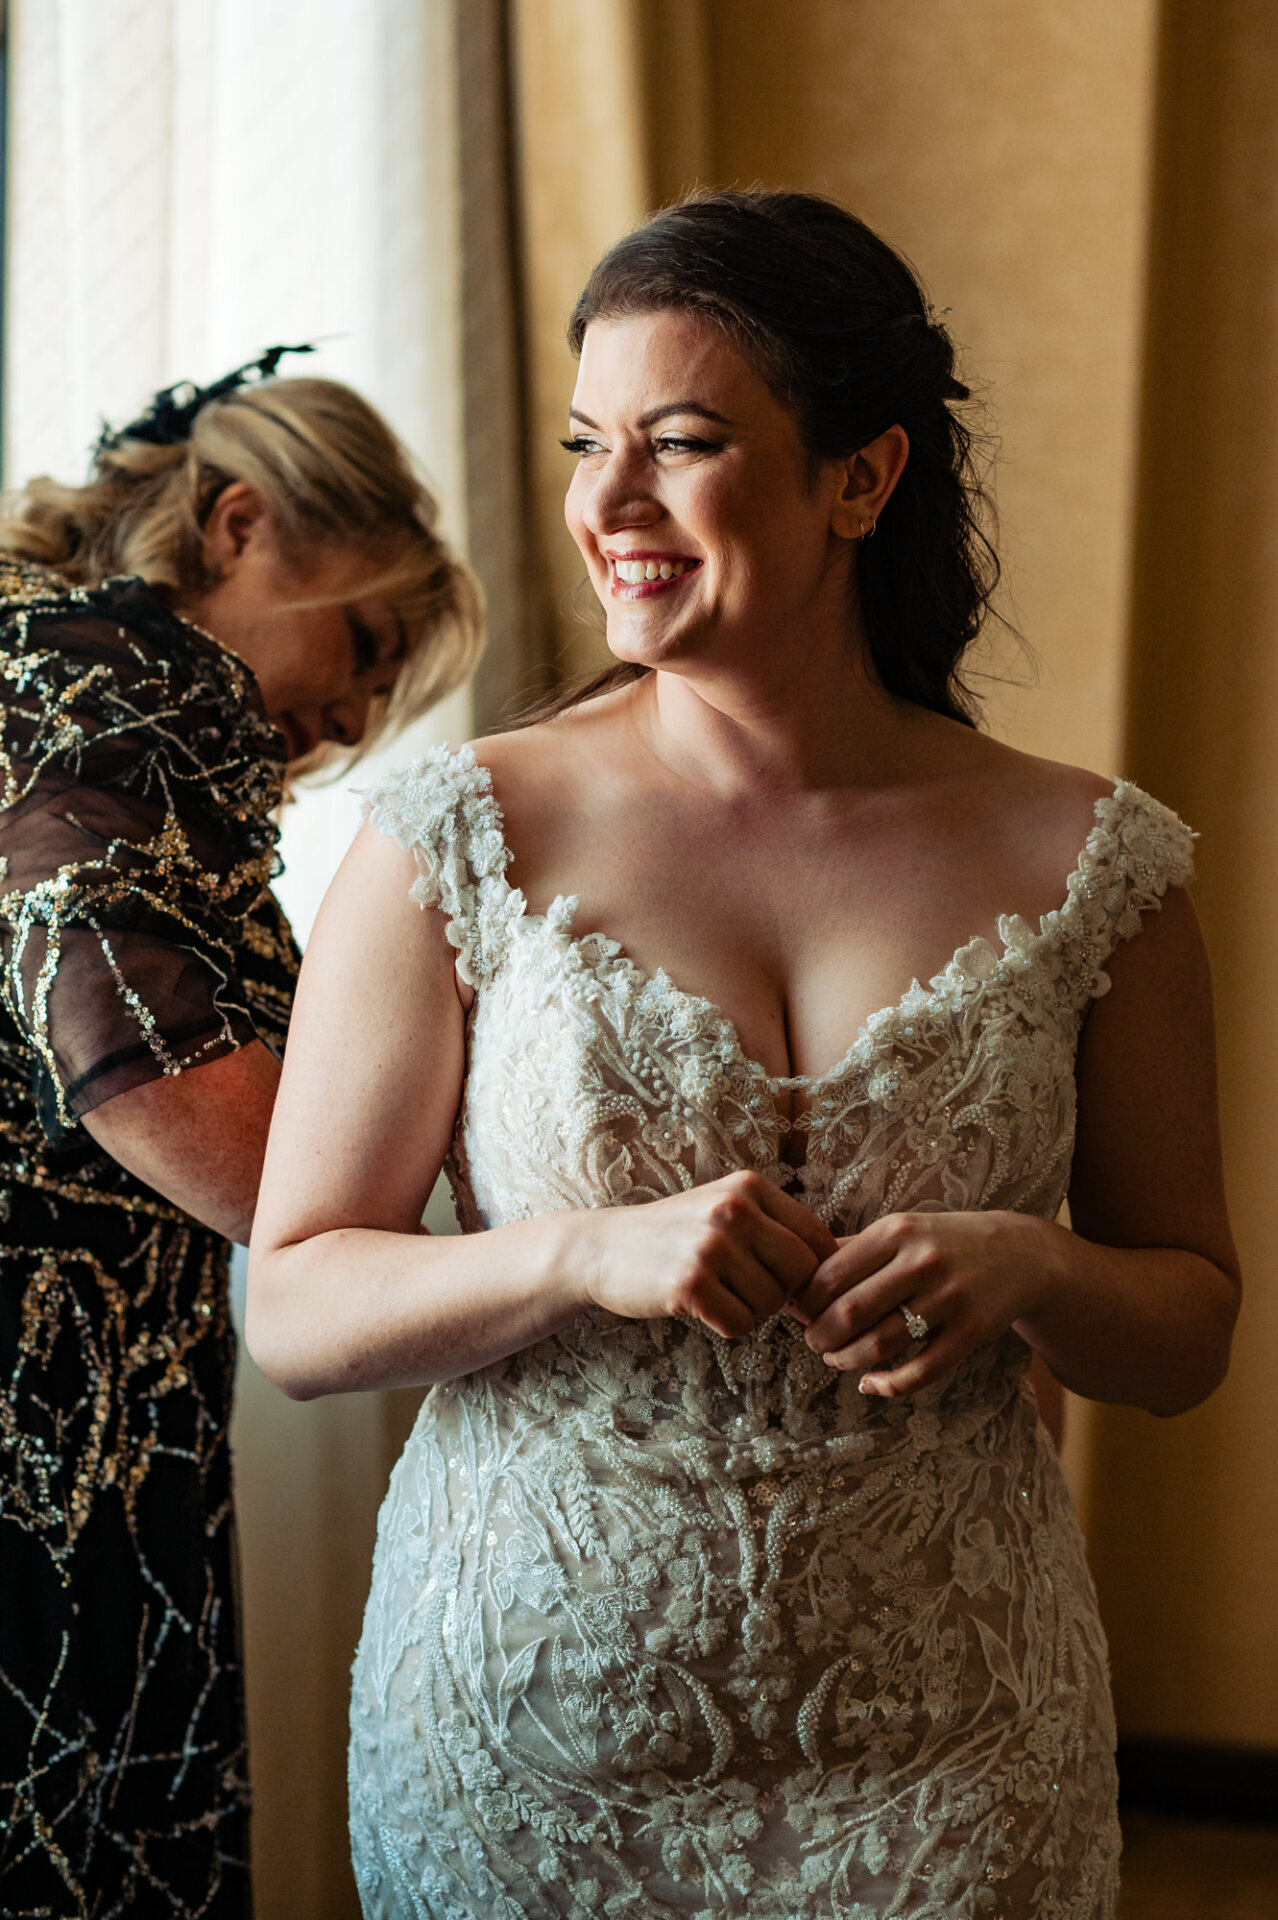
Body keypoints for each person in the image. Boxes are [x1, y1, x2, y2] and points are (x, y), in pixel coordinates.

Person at [248, 194, 1241, 1919]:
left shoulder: (1095, 863)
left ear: (861, 478)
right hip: (527, 1736)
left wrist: (1033, 1267)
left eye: (682, 444)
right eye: (587, 446)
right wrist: (578, 1252)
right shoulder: (452, 834)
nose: (605, 507)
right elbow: (295, 1309)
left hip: (956, 1750)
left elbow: (1185, 1327)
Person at [0, 352, 480, 1917]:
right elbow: (189, 1109)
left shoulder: (51, 683)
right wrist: (541, 1253)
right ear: (240, 524)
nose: (348, 714)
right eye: (366, 642)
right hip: (41, 1448)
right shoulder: (119, 699)